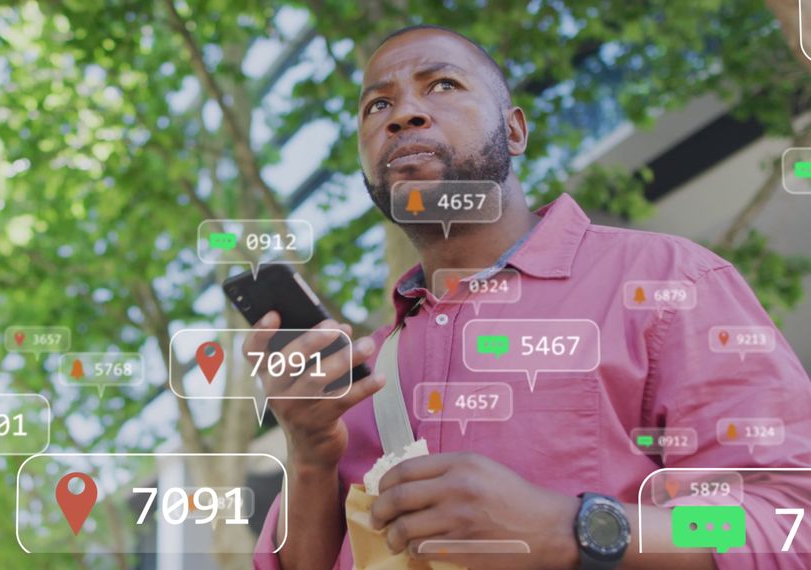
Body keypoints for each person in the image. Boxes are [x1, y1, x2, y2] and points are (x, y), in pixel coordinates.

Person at [247, 24, 811, 570]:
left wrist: (572, 526)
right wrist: (312, 457)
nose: (403, 114)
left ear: (515, 131)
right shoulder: (358, 377)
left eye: (442, 85)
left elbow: (787, 520)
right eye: (377, 106)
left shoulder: (670, 282)